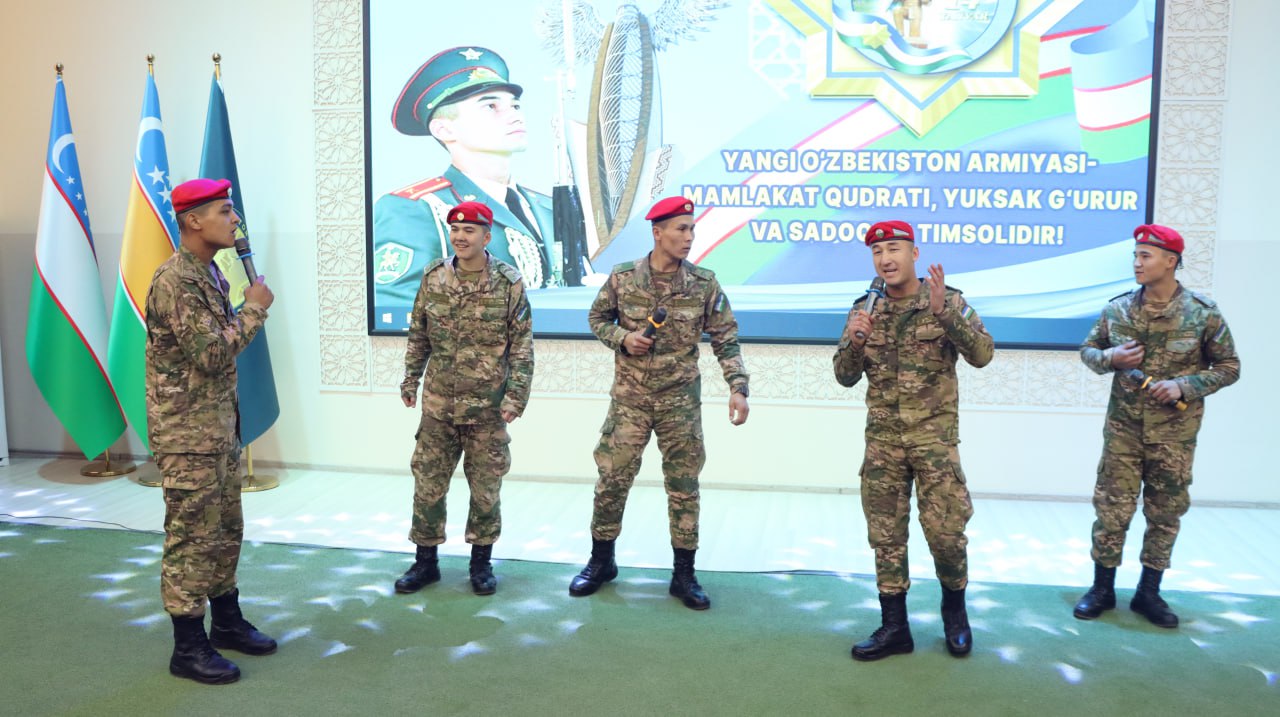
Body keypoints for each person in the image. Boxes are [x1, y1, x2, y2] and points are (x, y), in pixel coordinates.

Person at [568, 196, 750, 611]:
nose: (689, 237)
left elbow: (726, 338)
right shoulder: (623, 278)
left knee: (684, 487)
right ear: (657, 232)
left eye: (692, 229)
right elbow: (597, 319)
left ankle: (684, 575)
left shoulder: (703, 283)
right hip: (630, 402)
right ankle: (601, 561)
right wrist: (623, 338)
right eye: (681, 229)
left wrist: (738, 387)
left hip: (679, 404)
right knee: (612, 480)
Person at [833, 220, 993, 660]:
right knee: (886, 536)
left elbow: (983, 354)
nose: (885, 258)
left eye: (894, 249)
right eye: (877, 251)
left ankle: (955, 614)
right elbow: (844, 376)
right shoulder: (865, 309)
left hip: (934, 443)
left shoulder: (947, 300)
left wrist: (945, 315)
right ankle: (895, 628)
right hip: (883, 443)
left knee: (946, 533)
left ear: (914, 254)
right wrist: (856, 343)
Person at [1073, 224, 1240, 628]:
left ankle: (1149, 593)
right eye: (1135, 255)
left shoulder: (1203, 313)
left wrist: (1185, 385)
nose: (1137, 263)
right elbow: (1088, 351)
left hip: (1174, 436)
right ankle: (1102, 589)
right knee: (1111, 510)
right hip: (1124, 432)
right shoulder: (1118, 310)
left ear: (1171, 261)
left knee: (1165, 513)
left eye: (1145, 256)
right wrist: (1111, 358)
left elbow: (1229, 367)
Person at [146, 178, 277, 685]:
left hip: (217, 430)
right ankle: (187, 646)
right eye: (224, 211)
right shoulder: (176, 281)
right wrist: (255, 308)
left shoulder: (208, 274)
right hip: (187, 437)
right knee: (192, 538)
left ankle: (226, 621)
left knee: (224, 531)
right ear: (193, 221)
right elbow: (211, 354)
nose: (234, 220)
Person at [394, 201, 534, 597]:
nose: (460, 236)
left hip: (487, 409)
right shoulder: (433, 277)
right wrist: (410, 379)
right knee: (428, 485)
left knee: (485, 490)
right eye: (455, 229)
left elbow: (522, 347)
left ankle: (481, 563)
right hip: (439, 406)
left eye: (469, 230)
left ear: (487, 236)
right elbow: (419, 334)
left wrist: (515, 398)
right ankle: (425, 562)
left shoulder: (508, 283)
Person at [373, 45, 557, 314]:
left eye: (515, 105)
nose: (514, 114)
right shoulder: (415, 209)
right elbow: (397, 312)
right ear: (444, 129)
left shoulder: (548, 207)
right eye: (491, 106)